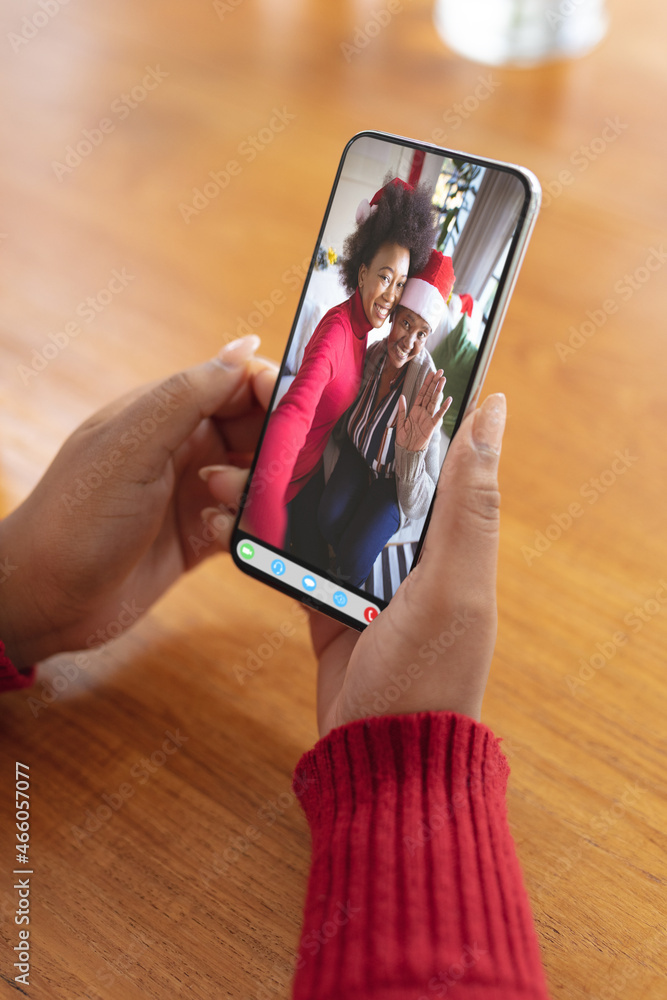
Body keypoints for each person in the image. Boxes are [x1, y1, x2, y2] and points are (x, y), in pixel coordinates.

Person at [0, 334, 551, 997]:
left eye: (414, 324)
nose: (402, 332)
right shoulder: (364, 359)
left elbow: (411, 502)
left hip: (394, 483)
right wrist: (405, 770)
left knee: (353, 537)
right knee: (327, 525)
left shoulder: (423, 393)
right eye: (393, 309)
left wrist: (18, 604)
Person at [242, 177, 436, 566]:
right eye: (384, 277)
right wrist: (263, 506)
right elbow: (294, 412)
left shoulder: (367, 335)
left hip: (310, 471)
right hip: (286, 479)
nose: (391, 295)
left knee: (324, 565)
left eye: (399, 283)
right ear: (361, 273)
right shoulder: (337, 333)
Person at [318, 249, 456, 589]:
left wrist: (411, 454)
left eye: (422, 333)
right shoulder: (376, 352)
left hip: (392, 483)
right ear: (393, 316)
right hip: (357, 455)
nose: (409, 342)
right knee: (326, 518)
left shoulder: (427, 391)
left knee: (353, 560)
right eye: (406, 323)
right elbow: (346, 405)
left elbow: (422, 503)